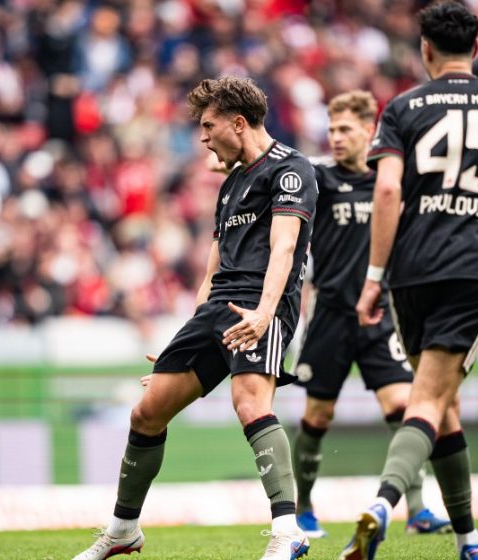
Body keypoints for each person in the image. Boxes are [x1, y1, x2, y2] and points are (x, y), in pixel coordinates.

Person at [71, 76, 317, 560]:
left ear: (239, 123)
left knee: (249, 401)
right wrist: (184, 340)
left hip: (258, 303)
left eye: (208, 126)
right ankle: (123, 530)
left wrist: (266, 314)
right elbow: (212, 268)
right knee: (147, 412)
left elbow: (285, 246)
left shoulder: (291, 169)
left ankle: (288, 529)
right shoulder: (231, 185)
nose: (203, 138)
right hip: (217, 309)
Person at [344, 2, 478, 560]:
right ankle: (382, 506)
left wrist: (374, 277)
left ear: (424, 49)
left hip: (412, 269)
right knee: (431, 398)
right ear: (477, 49)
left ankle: (470, 543)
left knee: (441, 399)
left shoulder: (403, 108)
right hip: (476, 267)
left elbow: (385, 192)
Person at [290, 90, 451, 539]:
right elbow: (268, 173)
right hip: (331, 315)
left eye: (345, 129)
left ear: (368, 130)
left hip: (381, 319)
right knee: (318, 416)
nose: (336, 137)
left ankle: (417, 509)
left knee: (403, 408)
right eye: (331, 128)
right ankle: (303, 507)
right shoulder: (317, 176)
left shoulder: (390, 179)